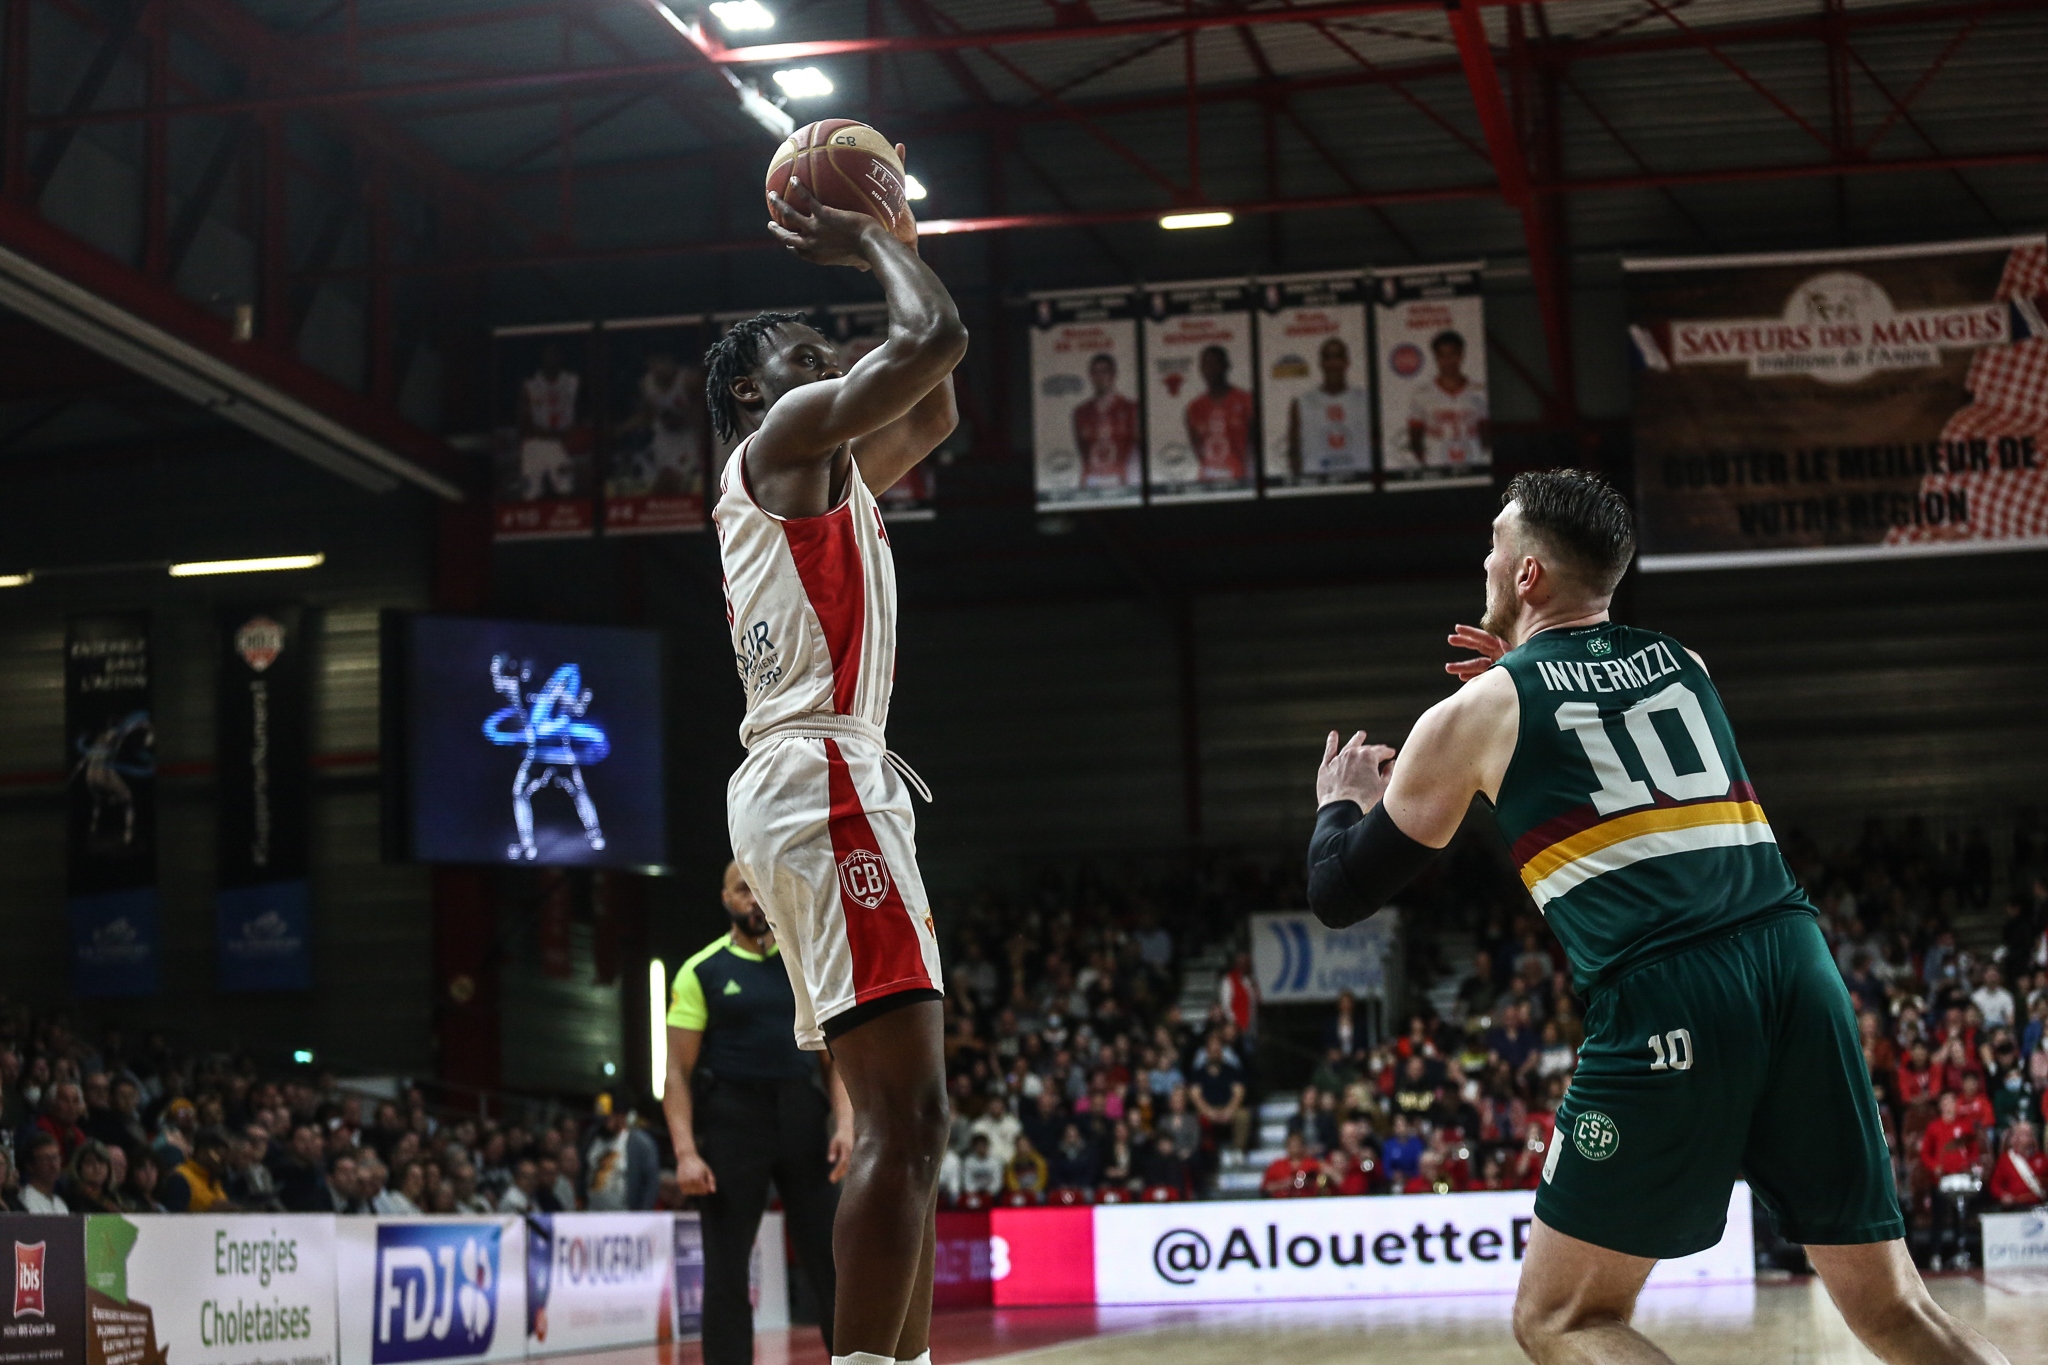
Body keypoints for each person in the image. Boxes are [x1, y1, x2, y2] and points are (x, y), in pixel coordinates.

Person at [1306, 469, 2007, 1365]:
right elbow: (1596, 718)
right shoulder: (1684, 660)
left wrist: (1340, 801)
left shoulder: (1479, 712)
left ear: (1526, 576)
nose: (1484, 555)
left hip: (1669, 991)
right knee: (1899, 1312)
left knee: (1562, 1319)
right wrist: (1517, 683)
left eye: (1495, 540)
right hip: (1797, 965)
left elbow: (1339, 891)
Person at [709, 160, 963, 1365]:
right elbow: (932, 333)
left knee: (911, 1122)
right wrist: (874, 240)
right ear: (754, 395)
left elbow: (936, 396)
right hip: (821, 778)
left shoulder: (830, 472)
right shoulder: (782, 434)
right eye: (804, 356)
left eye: (825, 355)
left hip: (817, 780)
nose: (824, 369)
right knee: (904, 1120)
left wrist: (896, 233)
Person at [664, 860, 852, 1365]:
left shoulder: (804, 966)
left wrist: (847, 1123)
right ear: (726, 898)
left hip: (801, 1117)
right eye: (742, 889)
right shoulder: (700, 970)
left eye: (759, 889)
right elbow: (676, 1076)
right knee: (726, 1269)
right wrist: (685, 1152)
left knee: (830, 1262)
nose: (753, 898)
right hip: (731, 1119)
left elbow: (833, 1062)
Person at [1401, 329, 1488, 474]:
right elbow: (1415, 435)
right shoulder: (1422, 394)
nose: (1448, 361)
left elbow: (1486, 432)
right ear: (1436, 357)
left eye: (1453, 354)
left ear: (1461, 355)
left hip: (1473, 466)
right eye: (1443, 355)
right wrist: (1425, 463)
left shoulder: (1478, 391)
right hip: (1437, 467)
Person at [1285, 336, 1371, 482]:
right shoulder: (1302, 403)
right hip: (1317, 486)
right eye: (1328, 358)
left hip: (1358, 485)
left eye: (1338, 357)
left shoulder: (1365, 400)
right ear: (1321, 363)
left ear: (1346, 362)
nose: (1333, 364)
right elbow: (1294, 452)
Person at [1183, 344, 1252, 484]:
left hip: (1242, 479)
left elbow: (1254, 443)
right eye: (1205, 364)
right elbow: (1197, 448)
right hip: (1208, 480)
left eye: (1215, 363)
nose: (1210, 369)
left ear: (1226, 366)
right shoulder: (1194, 407)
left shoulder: (1246, 400)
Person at [1070, 353, 1140, 490]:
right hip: (1092, 482)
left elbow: (1137, 449)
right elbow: (1082, 451)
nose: (1100, 376)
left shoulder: (1130, 408)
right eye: (1095, 372)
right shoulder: (1081, 412)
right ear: (1090, 375)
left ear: (1114, 374)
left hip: (1123, 481)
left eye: (1104, 371)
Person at [583, 1094, 659, 1211]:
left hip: (625, 1215)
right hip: (593, 1212)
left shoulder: (639, 1143)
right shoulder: (592, 1136)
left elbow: (651, 1182)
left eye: (607, 1118)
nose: (602, 1123)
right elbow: (583, 1170)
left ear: (621, 1116)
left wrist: (643, 1214)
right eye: (601, 1119)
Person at [160, 1125, 234, 1213]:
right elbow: (170, 1222)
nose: (226, 1160)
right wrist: (209, 1215)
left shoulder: (215, 1181)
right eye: (221, 1154)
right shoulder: (180, 1179)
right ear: (203, 1151)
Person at [1989, 1123, 2046, 1208]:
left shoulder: (2042, 1158)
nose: (2028, 1137)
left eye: (2030, 1134)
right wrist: (2003, 1195)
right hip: (2015, 1207)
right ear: (2014, 1138)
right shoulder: (2005, 1160)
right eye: (2024, 1134)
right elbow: (1995, 1185)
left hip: (2038, 1206)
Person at [16, 1131, 67, 1214]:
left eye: (55, 1158)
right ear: (30, 1166)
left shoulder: (60, 1203)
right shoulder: (26, 1200)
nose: (53, 1165)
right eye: (45, 1159)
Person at [1262, 1132, 1321, 1198]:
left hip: (1308, 1202)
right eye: (1292, 1145)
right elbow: (1266, 1188)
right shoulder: (1276, 1165)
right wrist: (1285, 1184)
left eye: (1297, 1145)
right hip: (1281, 1203)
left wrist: (1308, 1183)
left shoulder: (1312, 1164)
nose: (1295, 1148)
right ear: (1287, 1147)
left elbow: (1321, 1183)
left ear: (1303, 1147)